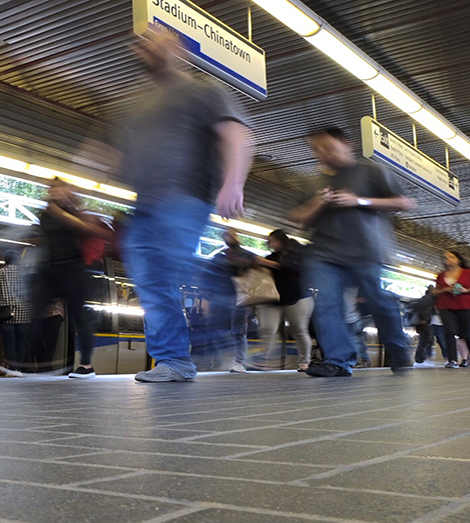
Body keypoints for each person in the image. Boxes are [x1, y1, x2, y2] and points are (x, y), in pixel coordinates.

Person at [89, 27, 252, 382]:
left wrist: (233, 182)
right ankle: (175, 359)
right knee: (151, 282)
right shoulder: (132, 105)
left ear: (179, 48)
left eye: (157, 37)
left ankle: (209, 323)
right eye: (142, 41)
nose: (147, 44)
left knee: (163, 269)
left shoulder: (202, 90)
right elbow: (120, 157)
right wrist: (96, 165)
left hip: (186, 197)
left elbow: (237, 134)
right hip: (145, 205)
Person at [288, 127, 415, 377]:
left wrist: (360, 201)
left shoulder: (371, 171)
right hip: (323, 254)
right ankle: (338, 360)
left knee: (378, 302)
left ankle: (399, 350)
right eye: (317, 150)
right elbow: (299, 218)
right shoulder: (312, 182)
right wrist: (318, 202)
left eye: (329, 147)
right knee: (326, 304)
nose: (324, 154)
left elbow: (404, 202)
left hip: (365, 251)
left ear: (347, 144)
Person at [27, 179, 112, 378]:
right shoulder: (45, 214)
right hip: (50, 268)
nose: (54, 192)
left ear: (68, 191)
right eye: (52, 188)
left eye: (59, 188)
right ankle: (33, 364)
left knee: (80, 318)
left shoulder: (76, 213)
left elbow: (87, 230)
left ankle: (86, 365)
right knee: (36, 312)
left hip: (74, 268)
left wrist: (62, 213)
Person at [252, 229, 313, 371]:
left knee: (298, 329)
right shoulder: (271, 257)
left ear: (280, 240)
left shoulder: (297, 252)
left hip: (298, 296)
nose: (270, 243)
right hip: (275, 299)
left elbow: (290, 267)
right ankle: (267, 359)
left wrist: (266, 263)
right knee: (267, 329)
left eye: (272, 240)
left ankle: (304, 361)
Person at [199, 229, 253, 373]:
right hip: (219, 297)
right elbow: (207, 277)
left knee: (238, 331)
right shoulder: (219, 256)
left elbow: (252, 272)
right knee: (213, 329)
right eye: (226, 236)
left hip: (239, 297)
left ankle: (238, 362)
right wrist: (207, 299)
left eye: (232, 235)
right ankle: (218, 361)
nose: (229, 238)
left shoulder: (245, 255)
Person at [433, 250, 470, 368]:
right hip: (446, 306)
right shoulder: (441, 275)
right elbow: (435, 291)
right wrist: (444, 290)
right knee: (449, 332)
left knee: (468, 332)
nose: (447, 259)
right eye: (445, 257)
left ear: (459, 259)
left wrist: (466, 290)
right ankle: (452, 359)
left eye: (451, 257)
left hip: (467, 306)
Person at [0, 250, 31, 373]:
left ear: (5, 260)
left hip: (6, 313)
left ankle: (13, 370)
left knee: (9, 342)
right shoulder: (27, 273)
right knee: (21, 343)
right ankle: (19, 369)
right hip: (25, 312)